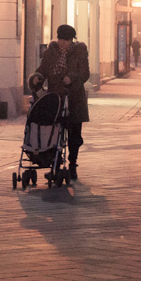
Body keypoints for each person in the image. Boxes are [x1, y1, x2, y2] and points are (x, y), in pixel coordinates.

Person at [31, 24, 90, 180]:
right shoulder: (51, 52)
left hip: (74, 98)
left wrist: (71, 77)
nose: (62, 43)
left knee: (74, 134)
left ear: (71, 40)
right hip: (55, 99)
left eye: (66, 40)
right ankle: (54, 164)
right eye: (60, 39)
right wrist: (37, 76)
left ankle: (72, 165)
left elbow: (85, 73)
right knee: (54, 132)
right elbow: (43, 70)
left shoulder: (79, 51)